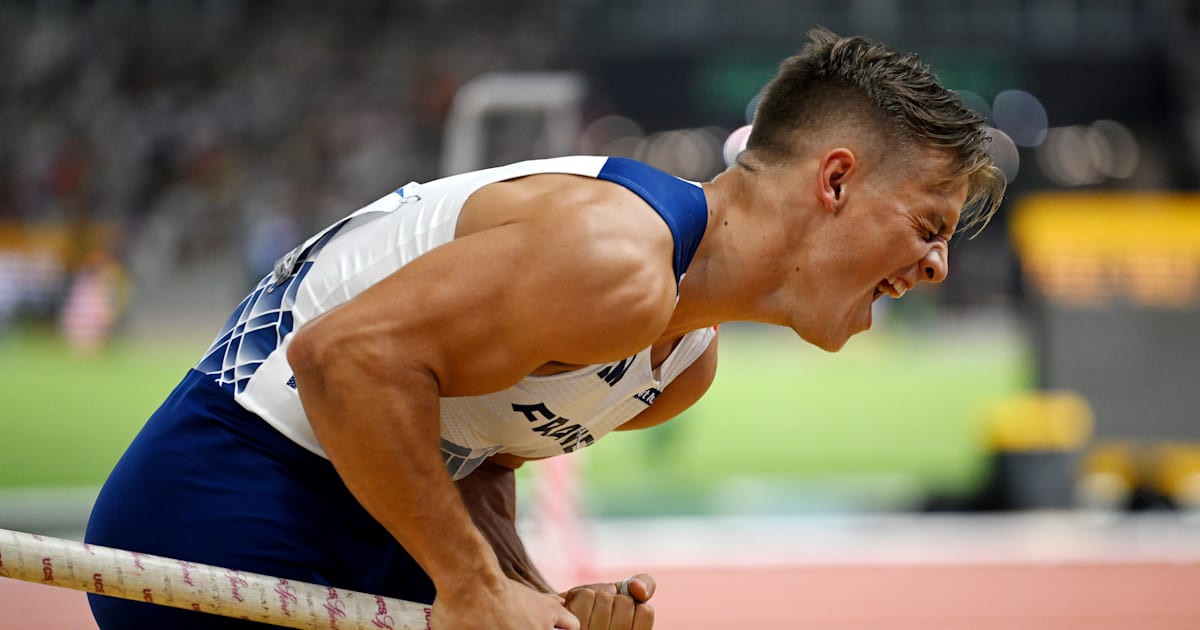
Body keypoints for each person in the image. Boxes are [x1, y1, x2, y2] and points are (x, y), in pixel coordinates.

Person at [84, 27, 1004, 630]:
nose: (936, 267)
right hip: (227, 497)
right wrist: (474, 587)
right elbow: (345, 361)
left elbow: (478, 451)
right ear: (835, 182)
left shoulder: (683, 365)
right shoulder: (614, 256)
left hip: (357, 516)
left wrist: (531, 592)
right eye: (928, 226)